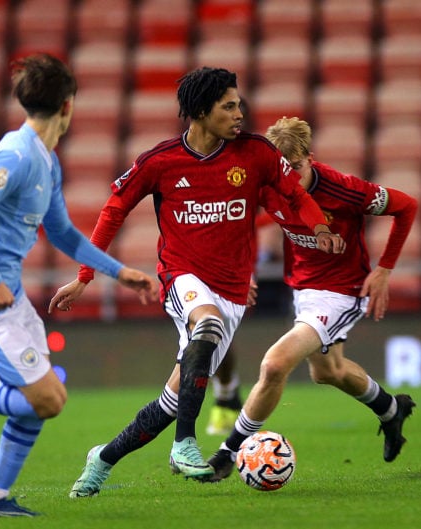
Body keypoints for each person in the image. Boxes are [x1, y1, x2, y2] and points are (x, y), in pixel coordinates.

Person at [48, 67, 344, 495]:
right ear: (201, 112)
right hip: (181, 275)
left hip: (233, 290)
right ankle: (184, 444)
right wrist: (84, 276)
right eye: (228, 106)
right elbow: (114, 210)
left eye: (238, 104)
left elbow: (296, 195)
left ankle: (102, 459)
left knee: (171, 401)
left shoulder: (257, 153)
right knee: (207, 323)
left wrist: (318, 227)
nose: (239, 113)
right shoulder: (160, 161)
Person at [0, 53, 159, 517]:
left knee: (50, 399)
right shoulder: (15, 155)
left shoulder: (45, 161)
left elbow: (63, 233)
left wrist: (119, 272)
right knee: (44, 397)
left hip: (9, 297)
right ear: (68, 106)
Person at [206, 116, 419, 482]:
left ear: (311, 157)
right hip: (304, 288)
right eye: (282, 169)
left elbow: (407, 206)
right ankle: (390, 410)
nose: (290, 178)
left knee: (274, 364)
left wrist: (384, 268)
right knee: (328, 372)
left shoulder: (345, 189)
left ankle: (227, 453)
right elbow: (238, 222)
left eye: (298, 167)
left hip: (341, 290)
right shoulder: (269, 185)